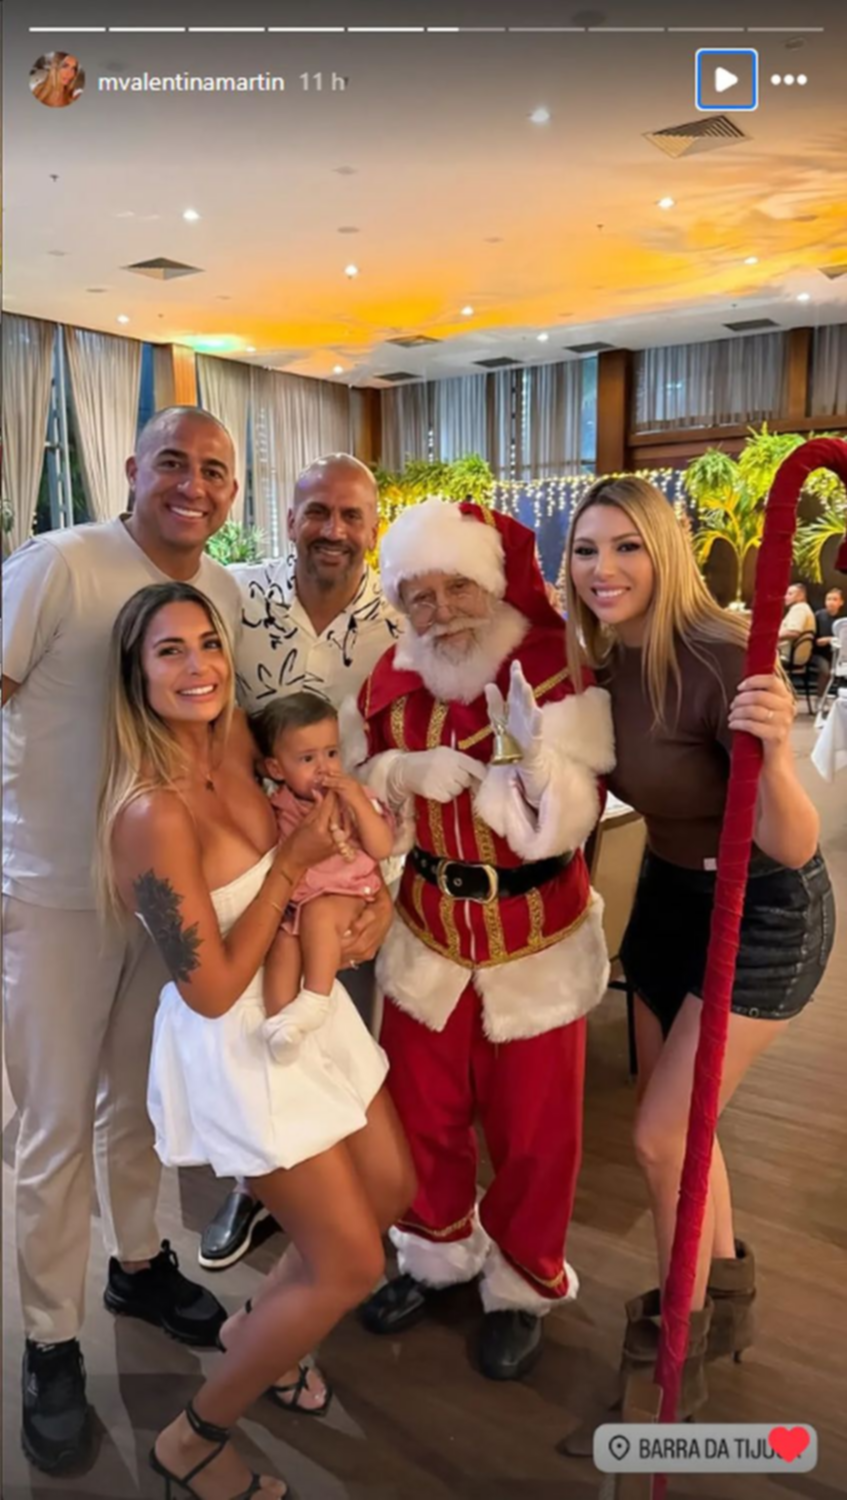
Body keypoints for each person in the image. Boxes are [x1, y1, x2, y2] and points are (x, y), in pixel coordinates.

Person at [99, 581, 415, 1500]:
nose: (199, 666)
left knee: (389, 1189)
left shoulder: (243, 738)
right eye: (169, 651)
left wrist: (375, 904)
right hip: (241, 1041)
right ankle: (192, 1439)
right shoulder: (150, 815)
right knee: (351, 1261)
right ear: (135, 675)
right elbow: (207, 993)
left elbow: (336, 823)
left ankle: (261, 1338)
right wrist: (291, 868)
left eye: (207, 643)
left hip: (308, 1005)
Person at [559, 476, 835, 1452]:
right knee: (683, 1131)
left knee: (657, 1138)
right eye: (585, 550)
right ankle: (721, 1303)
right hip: (669, 898)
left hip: (759, 907)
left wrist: (780, 757)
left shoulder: (722, 658)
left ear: (665, 552)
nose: (602, 569)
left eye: (625, 546)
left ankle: (672, 1352)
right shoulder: (604, 659)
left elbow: (794, 845)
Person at [2, 406, 244, 1473]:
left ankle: (138, 1262)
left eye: (216, 471)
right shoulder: (60, 565)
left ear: (233, 490)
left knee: (139, 1100)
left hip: (160, 894)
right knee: (54, 1122)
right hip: (53, 895)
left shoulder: (217, 591)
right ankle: (50, 1339)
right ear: (134, 469)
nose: (194, 485)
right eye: (174, 464)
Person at [350, 497, 615, 1381]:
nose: (438, 613)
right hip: (426, 932)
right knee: (420, 1113)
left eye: (456, 588)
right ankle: (434, 1252)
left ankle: (521, 1282)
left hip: (535, 941)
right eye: (417, 596)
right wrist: (397, 770)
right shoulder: (389, 675)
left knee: (535, 1132)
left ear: (492, 584)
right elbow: (359, 793)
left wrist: (537, 772)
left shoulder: (552, 666)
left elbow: (575, 816)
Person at [202, 452, 400, 1272]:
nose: (333, 529)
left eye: (351, 515)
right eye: (317, 511)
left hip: (355, 866)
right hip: (254, 862)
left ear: (374, 530)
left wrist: (389, 894)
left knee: (340, 1035)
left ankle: (346, 1200)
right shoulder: (235, 602)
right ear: (289, 519)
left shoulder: (402, 622)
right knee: (258, 1031)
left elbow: (413, 763)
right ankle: (256, 1186)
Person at [250, 691, 394, 1049]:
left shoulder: (354, 798)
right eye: (307, 758)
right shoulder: (278, 806)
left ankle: (315, 1000)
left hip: (349, 892)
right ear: (277, 769)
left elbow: (381, 848)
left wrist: (358, 801)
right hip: (299, 901)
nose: (325, 768)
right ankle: (283, 1027)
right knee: (283, 944)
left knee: (319, 914)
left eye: (331, 753)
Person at [813, 586, 845, 699]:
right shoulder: (818, 616)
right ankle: (820, 698)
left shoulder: (842, 620)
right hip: (818, 653)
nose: (831, 602)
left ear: (841, 602)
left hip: (837, 654)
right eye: (828, 599)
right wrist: (827, 640)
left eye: (835, 599)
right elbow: (815, 639)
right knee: (825, 670)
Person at [777, 581, 816, 665]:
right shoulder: (804, 608)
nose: (785, 597)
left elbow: (794, 632)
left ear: (800, 596)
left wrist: (772, 637)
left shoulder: (799, 609)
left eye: (790, 594)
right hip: (793, 655)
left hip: (787, 656)